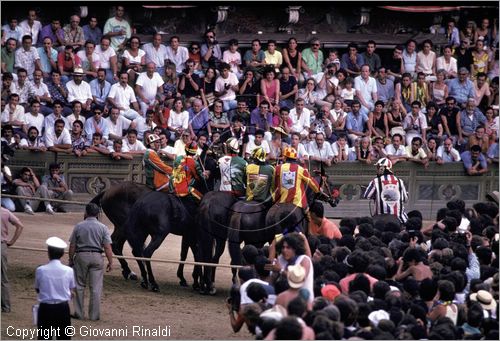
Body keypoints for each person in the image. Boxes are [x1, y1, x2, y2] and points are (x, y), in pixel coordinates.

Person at [68, 203, 113, 321]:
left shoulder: (79, 226)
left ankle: (79, 312)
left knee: (79, 285)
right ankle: (94, 315)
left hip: (81, 255)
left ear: (86, 212)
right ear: (98, 214)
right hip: (97, 256)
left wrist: (70, 259)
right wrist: (110, 261)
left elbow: (72, 245)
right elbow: (107, 247)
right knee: (96, 288)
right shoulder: (103, 227)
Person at [35, 237, 75, 339]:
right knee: (63, 337)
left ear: (48, 253)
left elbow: (37, 288)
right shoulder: (68, 270)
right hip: (62, 308)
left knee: (44, 337)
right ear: (62, 254)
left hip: (46, 307)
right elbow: (71, 290)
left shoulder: (41, 270)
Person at [273, 147, 320, 211]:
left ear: (285, 157)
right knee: (308, 217)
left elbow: (273, 184)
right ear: (295, 158)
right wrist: (318, 190)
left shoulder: (277, 168)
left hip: (280, 202)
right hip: (298, 204)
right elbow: (314, 185)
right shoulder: (301, 170)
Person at [363, 157, 409, 223]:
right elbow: (405, 199)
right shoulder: (400, 181)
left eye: (378, 168)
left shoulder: (376, 181)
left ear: (382, 168)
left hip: (381, 220)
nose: (377, 170)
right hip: (400, 219)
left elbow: (367, 195)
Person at [1, 207, 23, 313]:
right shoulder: (5, 212)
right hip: (1, 246)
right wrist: (12, 241)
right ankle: (5, 306)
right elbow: (20, 226)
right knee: (3, 278)